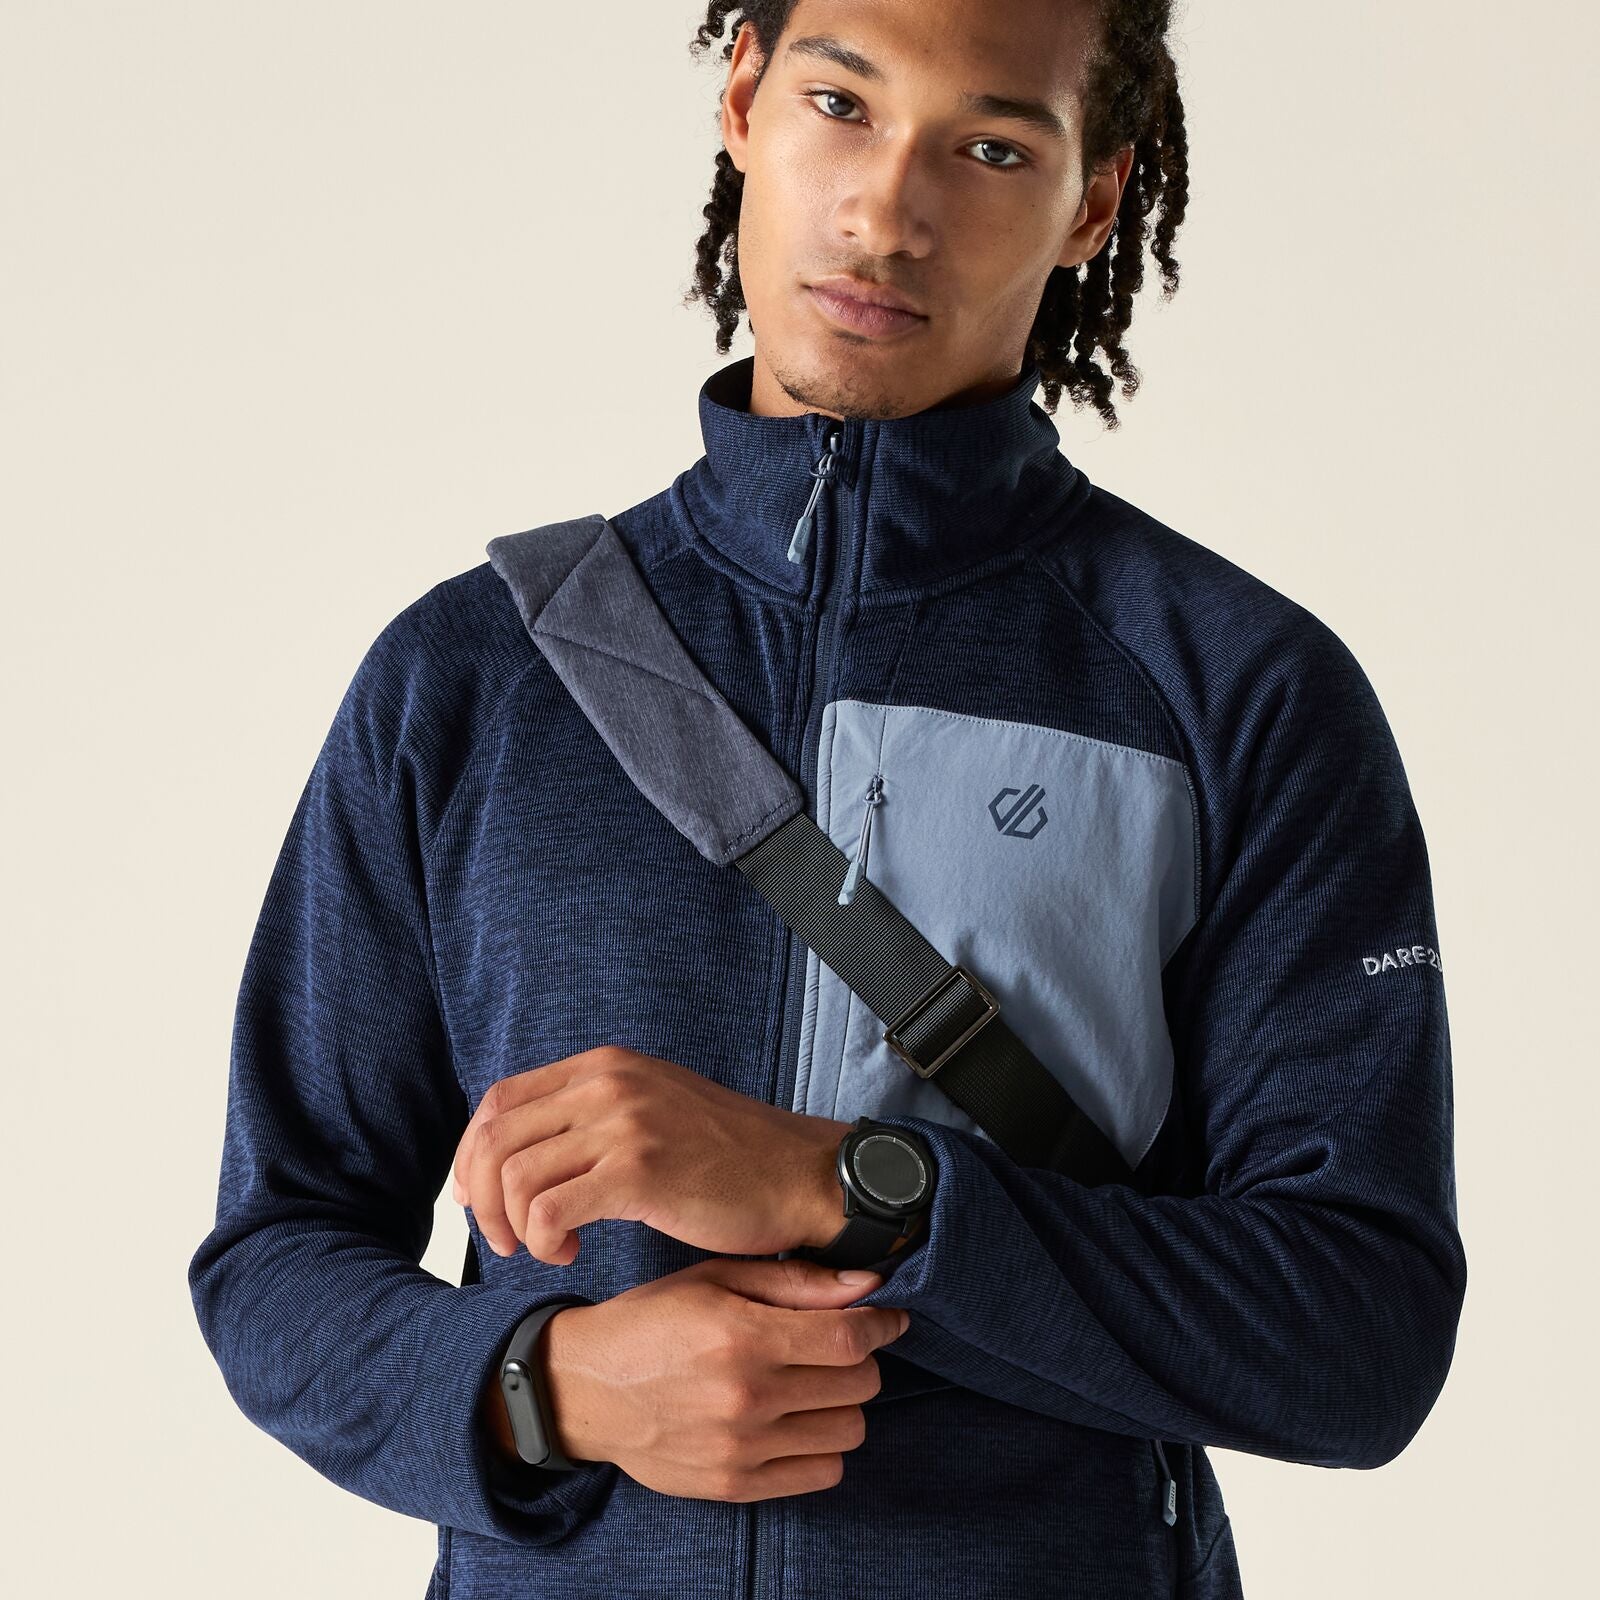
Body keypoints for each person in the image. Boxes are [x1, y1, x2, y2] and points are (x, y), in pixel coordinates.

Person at [187, 2, 1467, 1597]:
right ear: (744, 95)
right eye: (842, 104)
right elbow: (278, 1254)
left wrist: (846, 1188)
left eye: (989, 147)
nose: (886, 210)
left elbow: (1360, 1335)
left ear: (1093, 200)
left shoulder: (1238, 692)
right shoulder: (473, 676)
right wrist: (546, 1391)